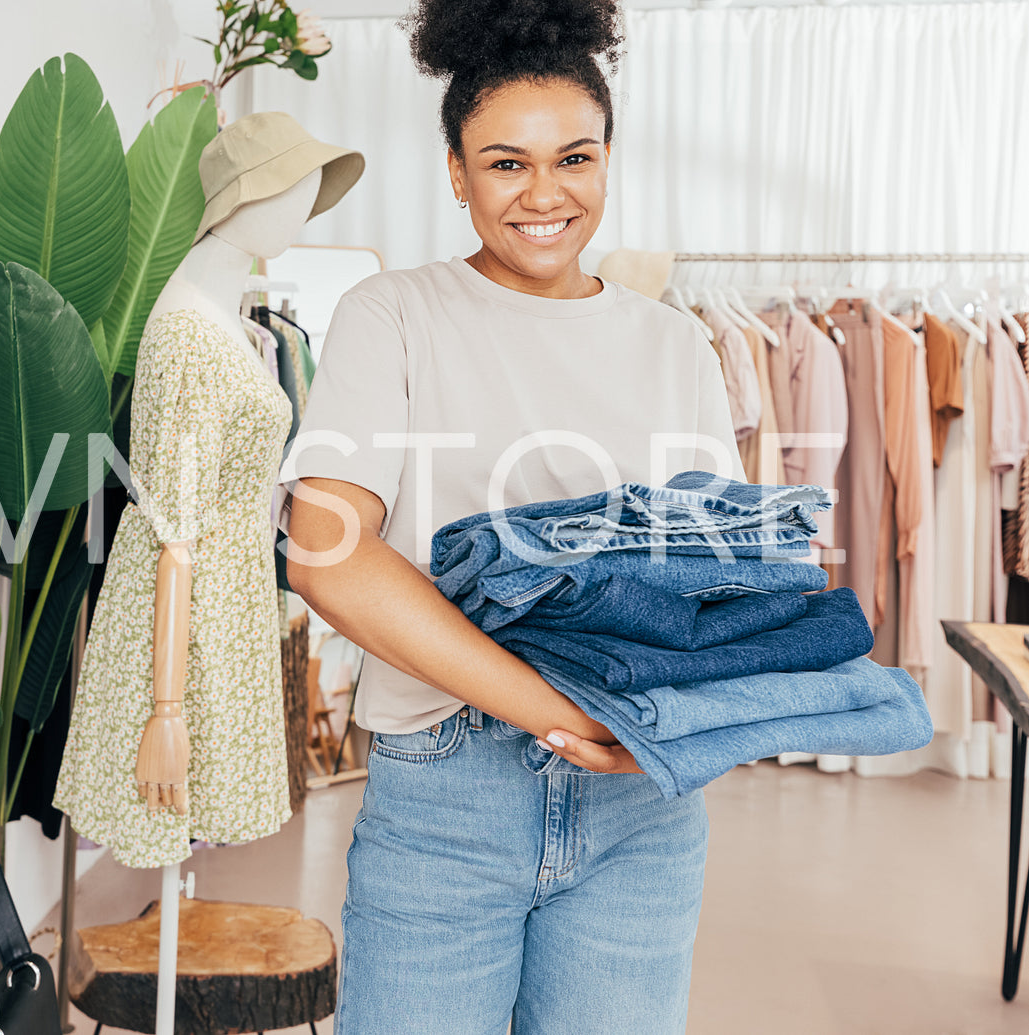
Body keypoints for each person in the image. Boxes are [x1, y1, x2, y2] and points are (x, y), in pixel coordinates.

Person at [279, 0, 742, 1031]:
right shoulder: (394, 316)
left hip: (641, 810)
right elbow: (324, 555)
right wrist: (556, 709)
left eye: (573, 158)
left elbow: (710, 587)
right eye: (504, 164)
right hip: (448, 795)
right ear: (454, 172)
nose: (544, 194)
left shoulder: (678, 350)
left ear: (609, 159)